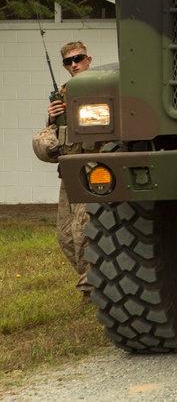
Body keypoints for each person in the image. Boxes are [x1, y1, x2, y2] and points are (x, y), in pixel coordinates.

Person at [44, 41, 94, 298]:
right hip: (69, 171)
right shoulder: (60, 95)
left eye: (78, 58)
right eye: (68, 61)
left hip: (93, 168)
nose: (74, 64)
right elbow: (54, 135)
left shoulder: (100, 87)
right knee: (65, 234)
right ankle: (90, 279)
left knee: (83, 230)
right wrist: (52, 117)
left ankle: (92, 288)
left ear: (89, 59)